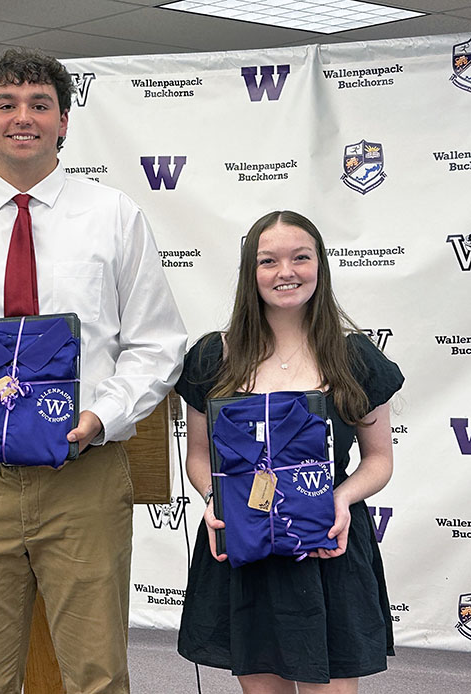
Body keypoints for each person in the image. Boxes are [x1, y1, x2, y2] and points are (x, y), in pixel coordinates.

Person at [0, 48, 187, 693]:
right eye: (6, 105)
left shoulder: (114, 217)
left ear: (63, 121)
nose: (22, 117)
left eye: (39, 104)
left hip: (81, 478)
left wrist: (102, 415)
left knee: (96, 675)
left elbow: (157, 344)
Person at [175, 210, 404, 693]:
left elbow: (379, 459)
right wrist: (212, 499)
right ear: (249, 272)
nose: (286, 272)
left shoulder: (356, 357)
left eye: (301, 257)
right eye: (269, 261)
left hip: (329, 548)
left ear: (319, 266)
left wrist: (340, 500)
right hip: (246, 548)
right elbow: (199, 456)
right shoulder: (214, 356)